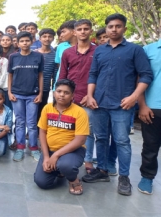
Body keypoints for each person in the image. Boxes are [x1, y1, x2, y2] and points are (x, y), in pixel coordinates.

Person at [82, 13, 153, 196]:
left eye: (118, 26)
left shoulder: (135, 50)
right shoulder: (99, 50)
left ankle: (124, 177)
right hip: (99, 103)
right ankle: (103, 171)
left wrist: (134, 97)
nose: (114, 29)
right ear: (106, 28)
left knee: (122, 141)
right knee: (102, 138)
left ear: (124, 28)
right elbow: (93, 74)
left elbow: (146, 75)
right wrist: (89, 96)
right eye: (110, 26)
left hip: (123, 104)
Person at [34, 79, 89, 195]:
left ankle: (73, 179)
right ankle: (60, 171)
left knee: (65, 165)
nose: (62, 95)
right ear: (54, 93)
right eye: (59, 91)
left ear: (72, 95)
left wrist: (57, 155)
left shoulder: (80, 112)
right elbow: (42, 132)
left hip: (73, 151)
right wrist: (46, 157)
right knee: (42, 182)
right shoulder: (47, 108)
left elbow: (80, 140)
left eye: (66, 92)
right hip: (50, 150)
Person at [59, 20, 97, 173]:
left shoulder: (98, 51)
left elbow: (100, 76)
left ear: (90, 31)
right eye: (79, 29)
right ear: (74, 32)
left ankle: (88, 160)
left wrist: (90, 95)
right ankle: (65, 156)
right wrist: (60, 96)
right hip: (69, 98)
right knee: (66, 129)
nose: (82, 32)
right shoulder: (67, 52)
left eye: (86, 29)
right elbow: (63, 75)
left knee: (88, 131)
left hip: (89, 99)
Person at [8, 31, 44, 162]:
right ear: (17, 43)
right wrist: (9, 92)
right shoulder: (13, 57)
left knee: (32, 123)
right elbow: (10, 75)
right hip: (17, 94)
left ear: (32, 41)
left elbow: (40, 75)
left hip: (33, 95)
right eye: (22, 41)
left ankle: (34, 148)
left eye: (27, 41)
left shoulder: (38, 56)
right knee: (20, 122)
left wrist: (40, 93)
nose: (24, 43)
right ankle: (20, 148)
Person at [137, 38, 161, 195]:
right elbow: (140, 78)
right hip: (153, 106)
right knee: (151, 145)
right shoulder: (148, 49)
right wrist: (142, 105)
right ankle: (147, 177)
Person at [35, 29, 57, 123]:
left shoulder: (55, 55)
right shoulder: (34, 53)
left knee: (42, 110)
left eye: (49, 36)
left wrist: (55, 87)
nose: (47, 39)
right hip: (31, 87)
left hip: (45, 87)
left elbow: (55, 73)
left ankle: (40, 131)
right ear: (40, 39)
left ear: (53, 38)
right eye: (44, 36)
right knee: (32, 110)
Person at [54, 20, 77, 86]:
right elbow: (59, 65)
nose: (61, 35)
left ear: (73, 32)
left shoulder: (91, 47)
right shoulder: (60, 46)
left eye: (63, 32)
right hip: (61, 83)